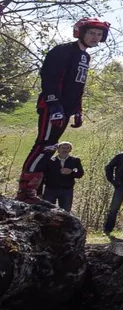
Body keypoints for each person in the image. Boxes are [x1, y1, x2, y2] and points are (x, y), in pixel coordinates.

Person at [16, 18, 108, 203]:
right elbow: (48, 77)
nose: (94, 37)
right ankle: (25, 190)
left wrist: (77, 110)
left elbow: (77, 87)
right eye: (91, 33)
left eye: (99, 34)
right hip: (52, 106)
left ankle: (35, 191)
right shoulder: (63, 50)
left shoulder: (85, 56)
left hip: (66, 109)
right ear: (80, 32)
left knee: (50, 148)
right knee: (43, 145)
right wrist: (54, 104)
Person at [41, 142, 84, 211]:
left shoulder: (75, 160)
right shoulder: (50, 160)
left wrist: (71, 172)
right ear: (58, 150)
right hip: (50, 190)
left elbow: (80, 174)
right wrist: (39, 191)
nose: (65, 150)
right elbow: (43, 176)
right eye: (63, 148)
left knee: (65, 212)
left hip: (67, 191)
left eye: (67, 148)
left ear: (70, 150)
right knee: (48, 211)